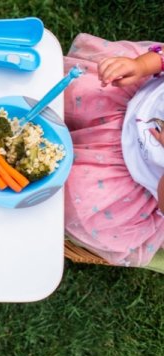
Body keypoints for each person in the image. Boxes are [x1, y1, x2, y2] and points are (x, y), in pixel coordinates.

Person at [63, 33, 164, 267]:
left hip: (131, 173)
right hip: (132, 99)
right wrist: (140, 66)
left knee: (74, 198)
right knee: (79, 88)